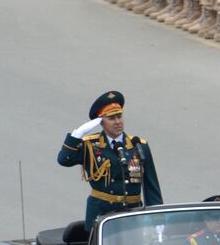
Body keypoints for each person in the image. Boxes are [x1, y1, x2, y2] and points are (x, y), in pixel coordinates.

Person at [57, 91, 162, 227]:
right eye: (111, 118)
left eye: (119, 116)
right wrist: (77, 135)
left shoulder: (138, 145)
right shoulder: (90, 145)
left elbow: (151, 186)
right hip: (101, 214)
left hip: (132, 213)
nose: (117, 122)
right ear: (101, 122)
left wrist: (158, 220)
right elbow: (64, 159)